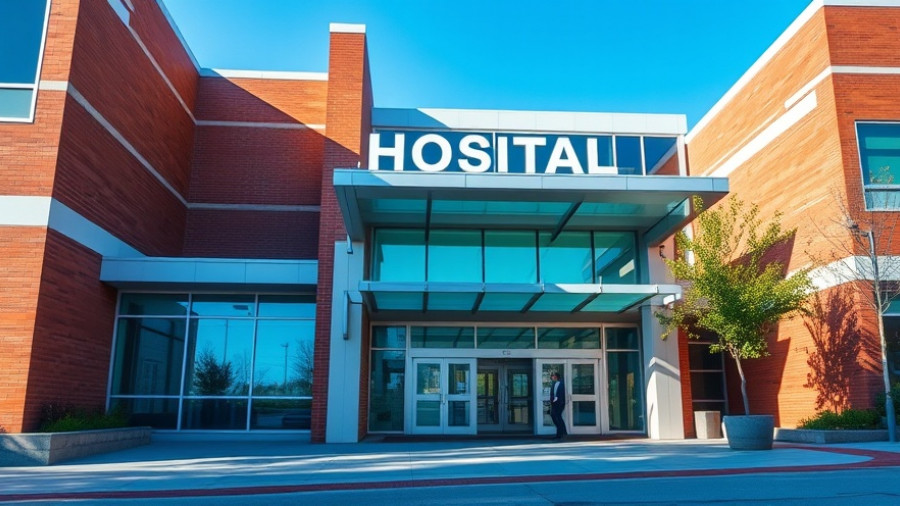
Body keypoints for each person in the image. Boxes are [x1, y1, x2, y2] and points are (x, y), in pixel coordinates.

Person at [550, 372, 567, 440]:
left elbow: (562, 393)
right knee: (554, 416)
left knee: (557, 416)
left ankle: (560, 433)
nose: (552, 377)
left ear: (556, 376)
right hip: (554, 403)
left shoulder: (562, 383)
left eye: (553, 376)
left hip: (560, 403)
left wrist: (559, 399)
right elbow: (553, 393)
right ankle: (561, 431)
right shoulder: (553, 383)